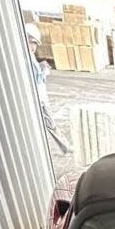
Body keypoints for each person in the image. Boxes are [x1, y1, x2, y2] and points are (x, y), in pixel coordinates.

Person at [25, 23, 72, 154]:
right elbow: (34, 79)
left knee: (48, 123)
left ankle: (64, 146)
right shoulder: (24, 57)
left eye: (35, 44)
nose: (34, 47)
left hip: (41, 96)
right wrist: (44, 71)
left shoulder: (30, 56)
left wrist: (41, 67)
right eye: (32, 42)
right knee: (49, 123)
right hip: (38, 98)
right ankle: (64, 147)